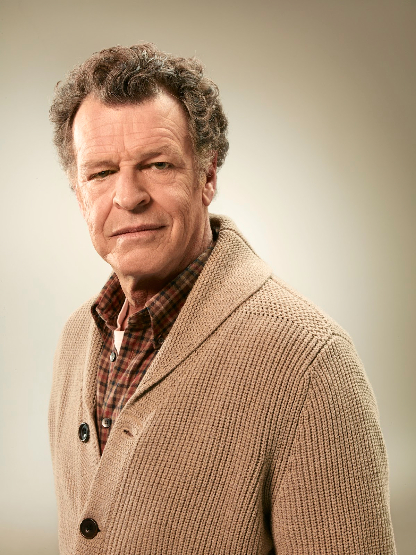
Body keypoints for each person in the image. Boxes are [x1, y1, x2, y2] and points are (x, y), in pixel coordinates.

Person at [49, 43, 396, 555]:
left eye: (157, 164)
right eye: (100, 173)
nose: (128, 196)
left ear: (207, 176)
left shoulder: (311, 363)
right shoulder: (77, 338)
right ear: (79, 193)